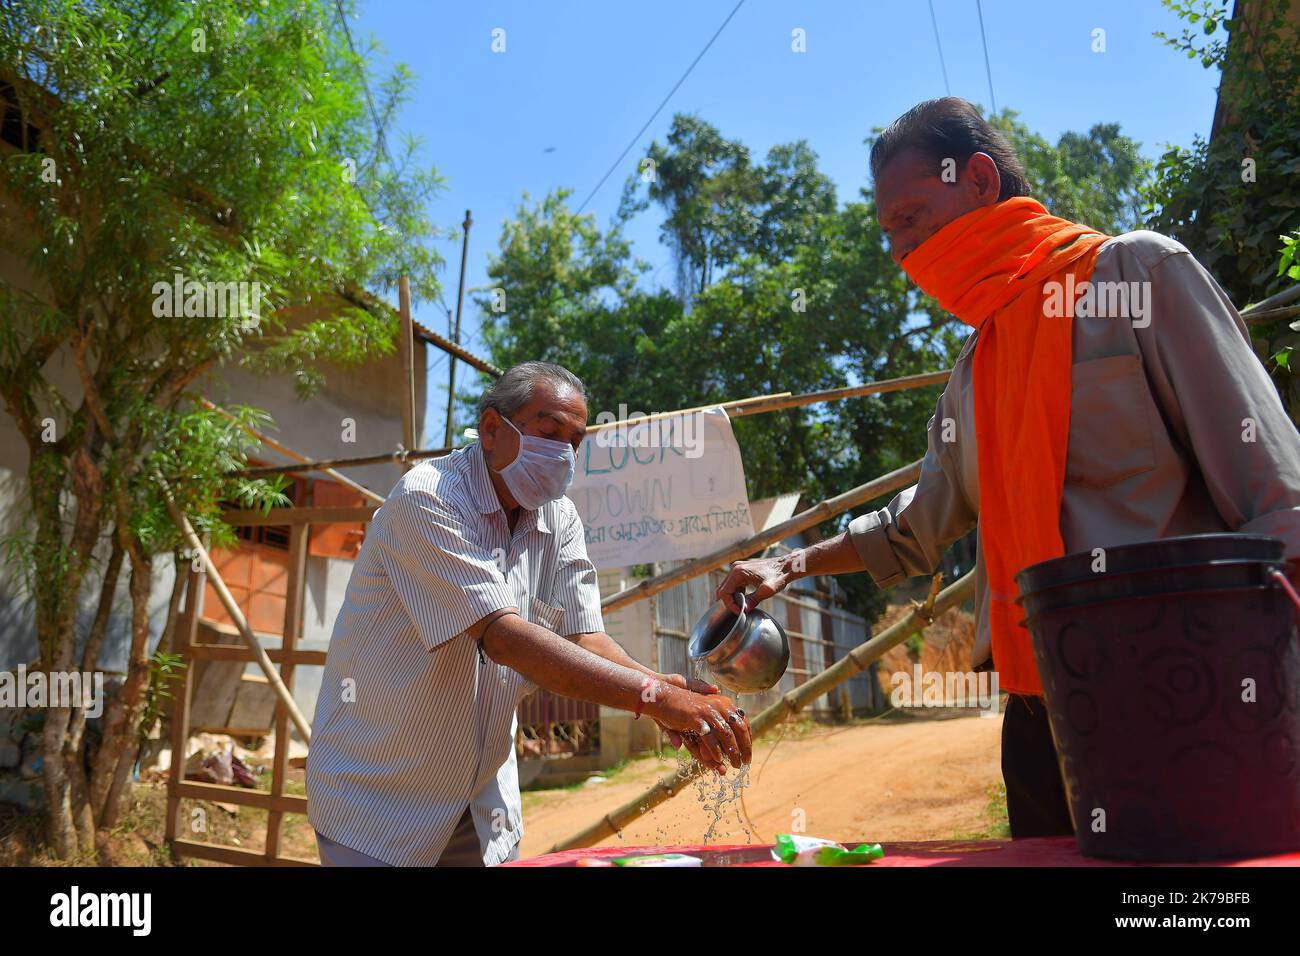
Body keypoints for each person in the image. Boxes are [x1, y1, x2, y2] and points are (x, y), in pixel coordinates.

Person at [717, 97, 1300, 839]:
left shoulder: (1137, 275)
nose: (900, 250)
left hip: (1180, 681)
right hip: (1036, 713)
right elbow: (913, 532)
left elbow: (1278, 498)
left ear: (982, 180)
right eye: (889, 232)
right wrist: (790, 564)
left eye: (911, 216)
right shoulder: (975, 370)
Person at [307, 361, 752, 866]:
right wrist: (656, 700)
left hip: (481, 804)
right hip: (380, 802)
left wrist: (663, 689)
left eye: (574, 441)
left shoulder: (558, 517)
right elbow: (503, 638)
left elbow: (586, 637)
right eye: (548, 432)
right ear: (493, 429)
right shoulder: (427, 499)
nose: (562, 453)